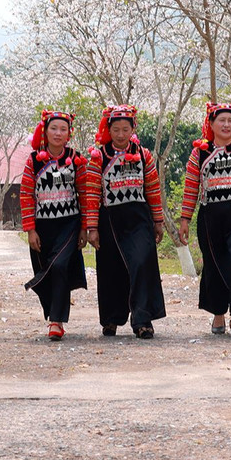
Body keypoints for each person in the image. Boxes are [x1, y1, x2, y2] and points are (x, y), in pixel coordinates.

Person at [174, 102, 231, 337]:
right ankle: (218, 314)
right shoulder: (200, 153)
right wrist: (185, 219)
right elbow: (191, 188)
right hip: (210, 218)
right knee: (214, 265)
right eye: (221, 121)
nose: (226, 125)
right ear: (211, 124)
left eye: (230, 121)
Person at [81, 104, 167, 338]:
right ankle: (111, 318)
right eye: (116, 129)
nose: (120, 135)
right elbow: (91, 194)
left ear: (132, 129)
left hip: (139, 219)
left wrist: (158, 221)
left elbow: (152, 188)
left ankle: (142, 319)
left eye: (125, 129)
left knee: (141, 264)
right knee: (112, 269)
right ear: (109, 129)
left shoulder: (143, 154)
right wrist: (92, 228)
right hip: (110, 220)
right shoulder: (99, 156)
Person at [21, 107, 88, 340]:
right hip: (42, 226)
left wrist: (84, 227)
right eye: (54, 128)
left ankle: (56, 321)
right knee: (47, 272)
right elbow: (26, 195)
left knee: (59, 266)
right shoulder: (33, 161)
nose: (58, 133)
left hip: (69, 224)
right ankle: (53, 314)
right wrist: (30, 229)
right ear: (45, 131)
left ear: (69, 133)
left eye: (63, 129)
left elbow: (85, 193)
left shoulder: (76, 159)